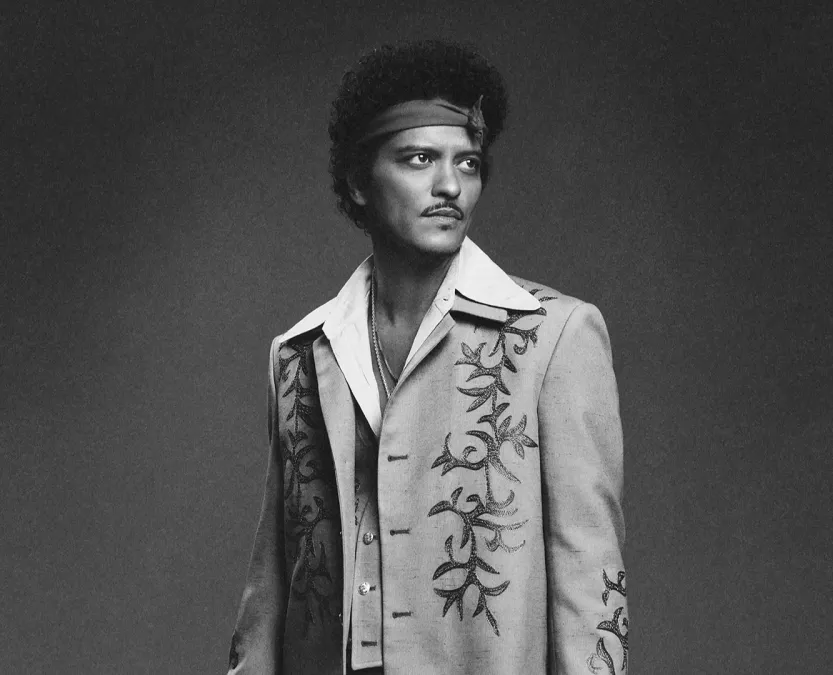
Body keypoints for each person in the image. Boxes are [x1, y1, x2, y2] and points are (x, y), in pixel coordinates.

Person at [225, 40, 628, 675]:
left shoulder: (555, 338)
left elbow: (590, 582)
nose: (450, 186)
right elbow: (273, 588)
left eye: (468, 163)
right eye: (420, 159)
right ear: (358, 181)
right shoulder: (299, 354)